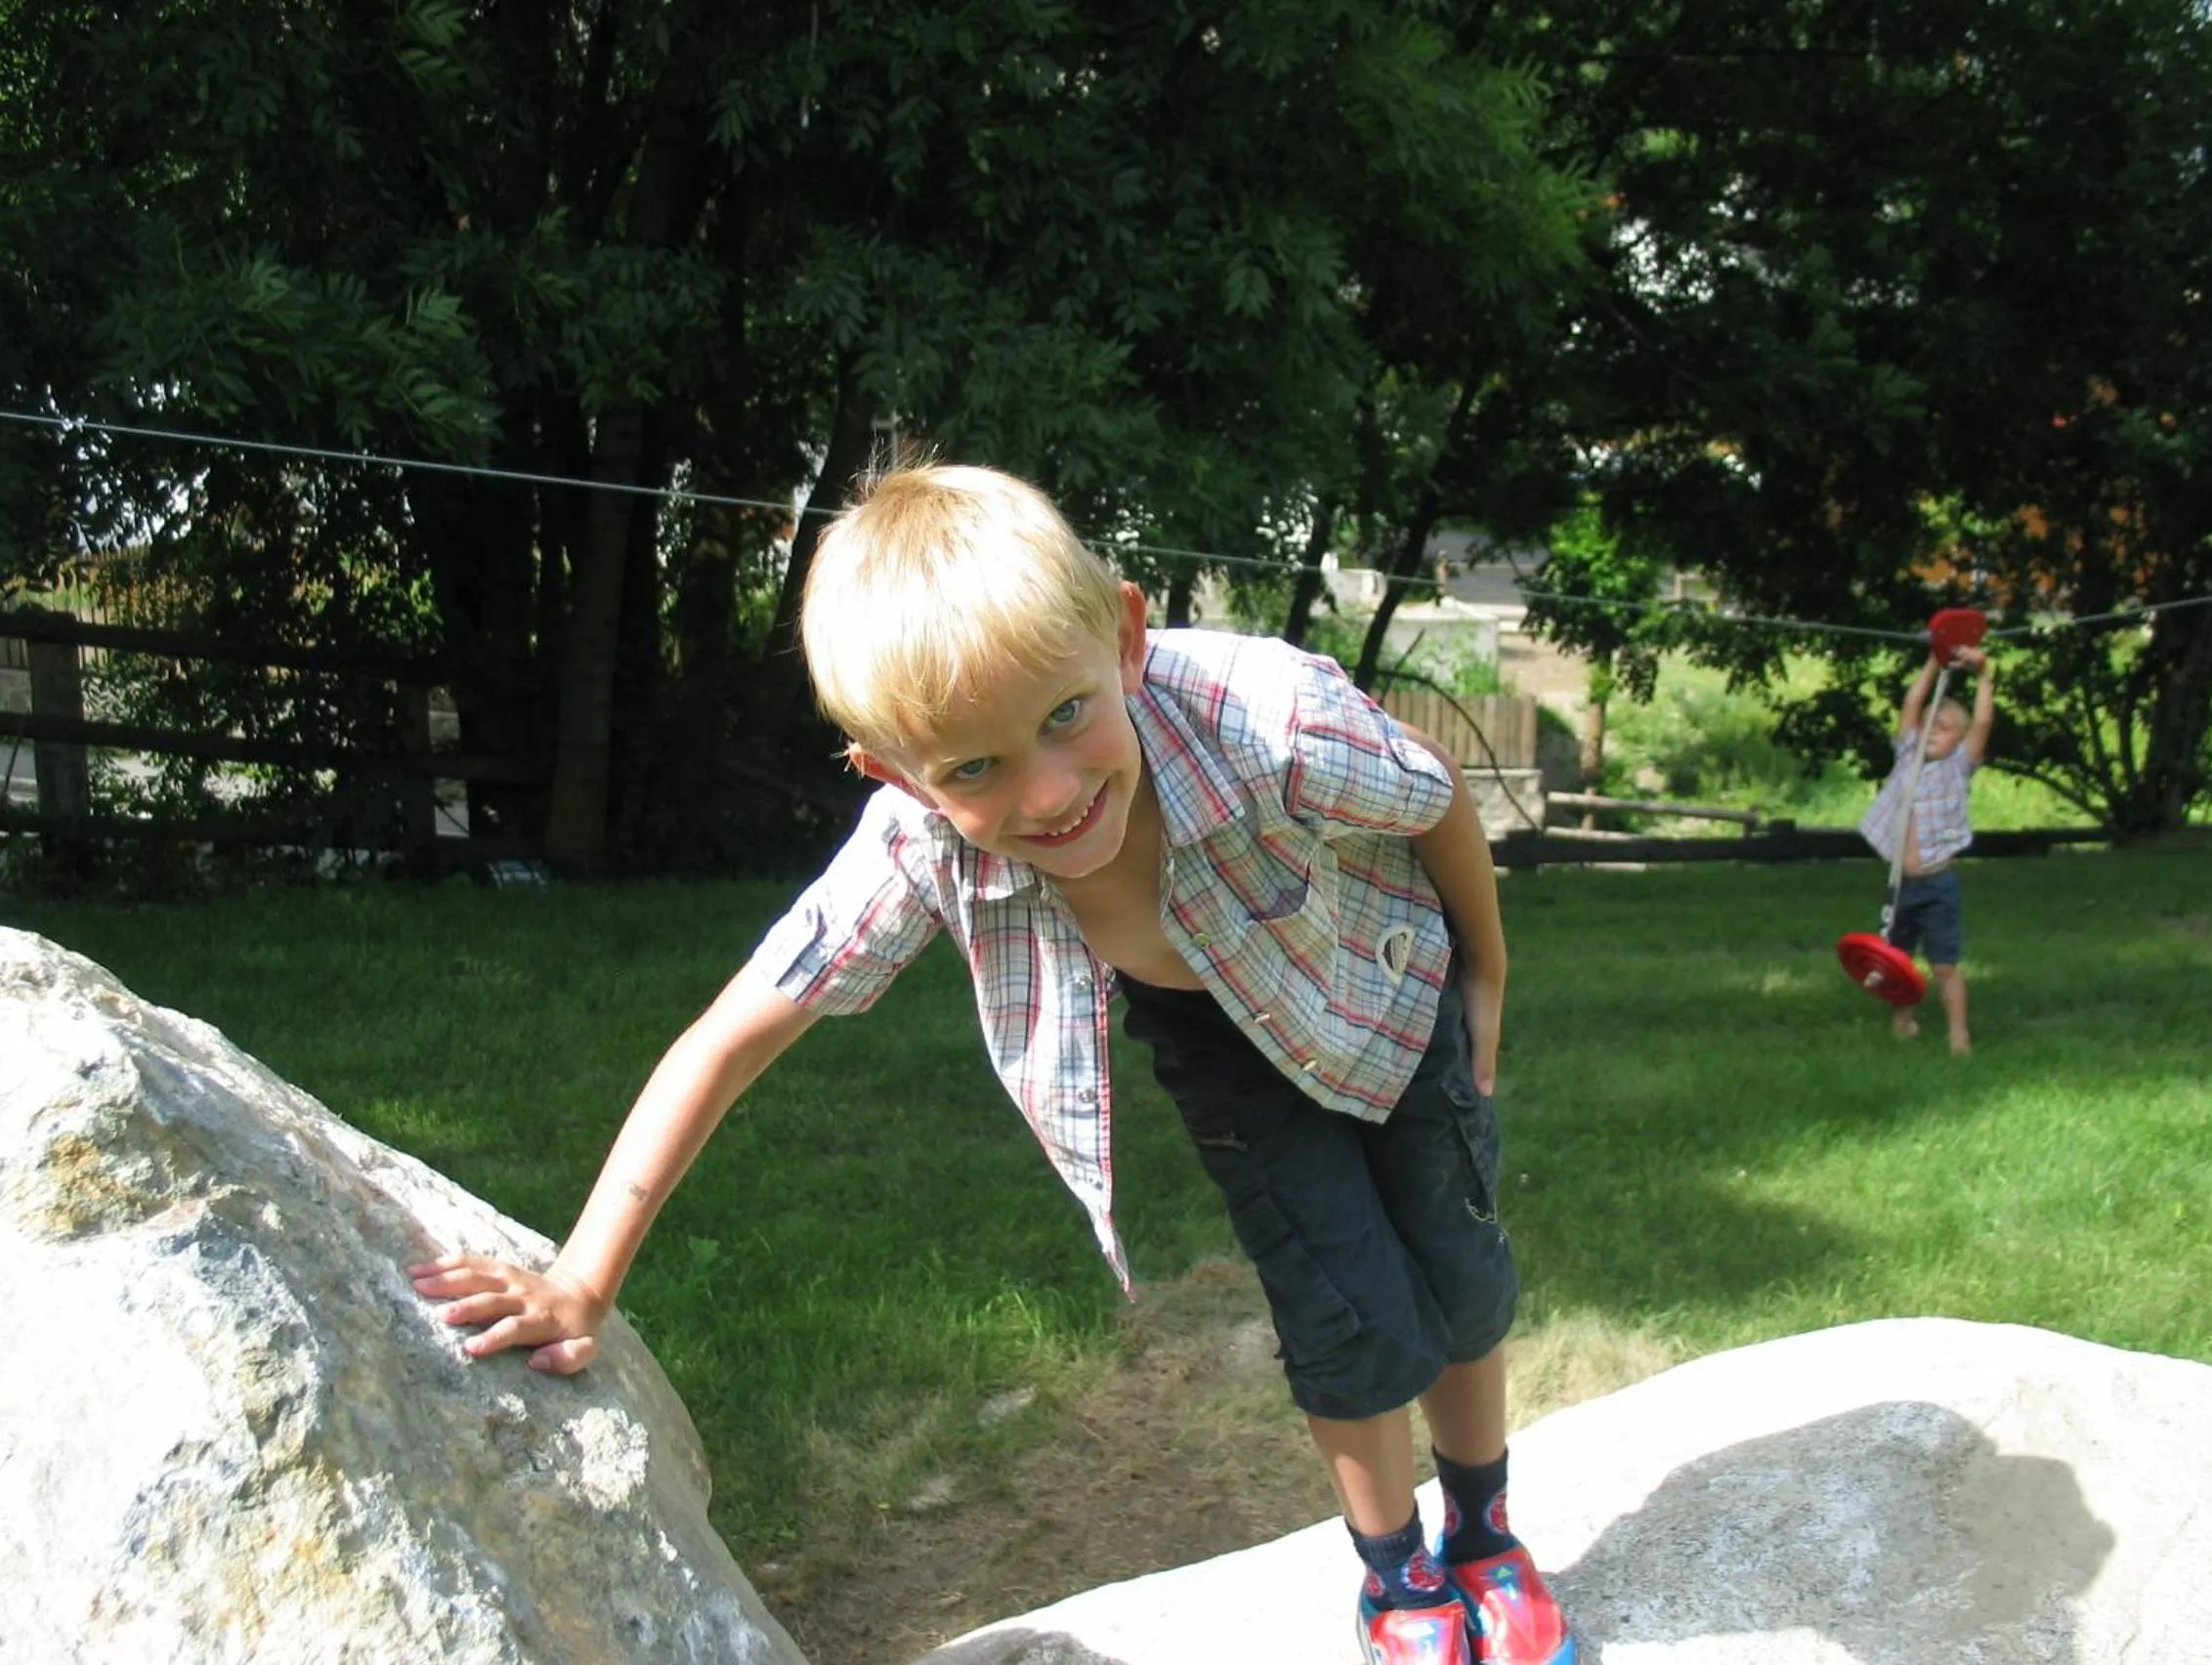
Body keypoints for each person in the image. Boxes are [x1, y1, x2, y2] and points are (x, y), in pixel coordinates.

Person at [409, 465, 1576, 1665]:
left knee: (1457, 1263)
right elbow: (727, 1038)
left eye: (1064, 715)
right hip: (1222, 1046)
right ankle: (1398, 1579)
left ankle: (1485, 1531)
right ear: (894, 772)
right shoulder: (915, 844)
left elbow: (1432, 804)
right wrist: (582, 1281)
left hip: (1388, 990)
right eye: (972, 769)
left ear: (1123, 638)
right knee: (1344, 1313)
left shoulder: (1265, 716)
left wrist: (1484, 973)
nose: (1049, 792)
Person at [1857, 644, 1996, 1054]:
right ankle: (1903, 1022)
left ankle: (1959, 1033)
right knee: (1895, 960)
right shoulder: (1906, 757)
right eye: (1930, 723)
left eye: (1946, 726)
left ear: (1961, 741)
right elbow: (1913, 701)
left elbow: (1984, 720)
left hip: (1938, 886)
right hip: (1901, 884)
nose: (1934, 729)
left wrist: (1984, 674)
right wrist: (1935, 661)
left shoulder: (1958, 768)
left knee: (1944, 965)